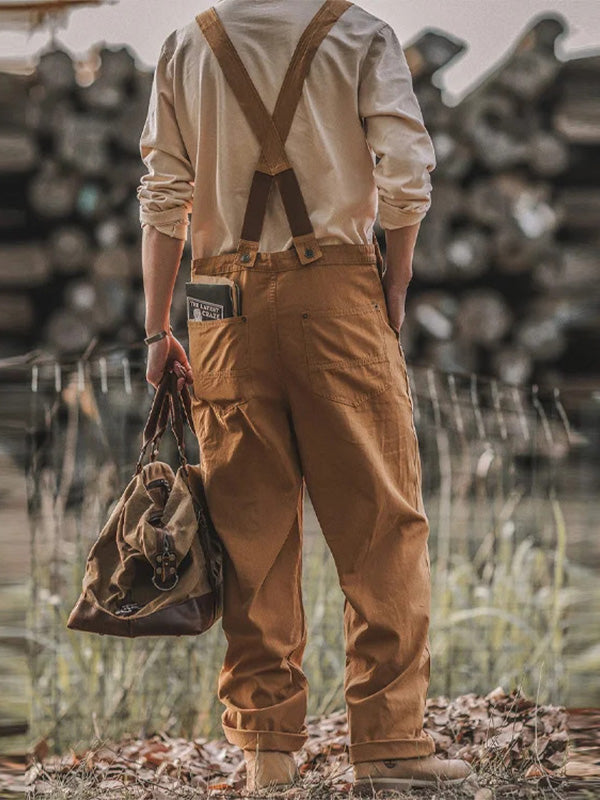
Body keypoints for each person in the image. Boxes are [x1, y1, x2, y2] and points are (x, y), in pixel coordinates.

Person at [137, 0, 474, 793]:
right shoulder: (360, 36)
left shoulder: (188, 44)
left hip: (221, 306)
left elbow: (163, 195)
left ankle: (269, 751)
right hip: (339, 297)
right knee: (381, 525)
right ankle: (390, 748)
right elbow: (406, 175)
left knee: (249, 530)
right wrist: (392, 282)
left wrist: (157, 330)